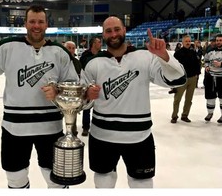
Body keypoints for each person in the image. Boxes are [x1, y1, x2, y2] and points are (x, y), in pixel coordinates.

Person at [0, 5, 79, 188]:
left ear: (46, 25)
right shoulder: (8, 46)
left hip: (50, 128)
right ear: (25, 23)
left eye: (40, 22)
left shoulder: (59, 52)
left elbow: (74, 88)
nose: (36, 25)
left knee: (56, 181)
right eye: (32, 21)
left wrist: (58, 90)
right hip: (14, 129)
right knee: (15, 179)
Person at [80, 16, 186, 188]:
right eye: (108, 31)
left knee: (142, 185)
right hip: (102, 136)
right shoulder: (93, 63)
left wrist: (164, 56)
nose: (113, 34)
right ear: (103, 35)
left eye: (117, 29)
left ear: (124, 30)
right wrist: (86, 95)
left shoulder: (145, 57)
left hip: (139, 137)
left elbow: (177, 80)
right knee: (103, 181)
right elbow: (82, 102)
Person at [171, 35, 201, 123]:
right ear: (182, 42)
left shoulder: (193, 52)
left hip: (192, 78)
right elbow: (173, 67)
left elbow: (197, 64)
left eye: (189, 41)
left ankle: (185, 115)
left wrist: (197, 75)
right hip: (181, 79)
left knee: (189, 99)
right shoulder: (177, 53)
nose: (188, 43)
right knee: (177, 99)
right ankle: (174, 116)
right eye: (186, 41)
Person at [79, 36, 102, 136]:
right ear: (93, 44)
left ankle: (99, 127)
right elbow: (83, 67)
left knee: (101, 107)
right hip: (87, 84)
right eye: (99, 42)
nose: (100, 44)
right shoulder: (85, 55)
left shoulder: (102, 55)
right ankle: (85, 128)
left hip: (100, 84)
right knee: (86, 108)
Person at [64, 40, 82, 136]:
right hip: (60, 93)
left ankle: (72, 134)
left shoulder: (76, 62)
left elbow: (80, 76)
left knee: (72, 115)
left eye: (72, 48)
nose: (71, 50)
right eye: (68, 48)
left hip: (73, 94)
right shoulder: (59, 60)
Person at [203, 34, 222, 123]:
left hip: (221, 77)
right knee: (210, 96)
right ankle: (210, 113)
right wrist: (206, 66)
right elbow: (206, 60)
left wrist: (221, 64)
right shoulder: (210, 50)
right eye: (217, 40)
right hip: (211, 77)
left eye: (220, 40)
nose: (218, 42)